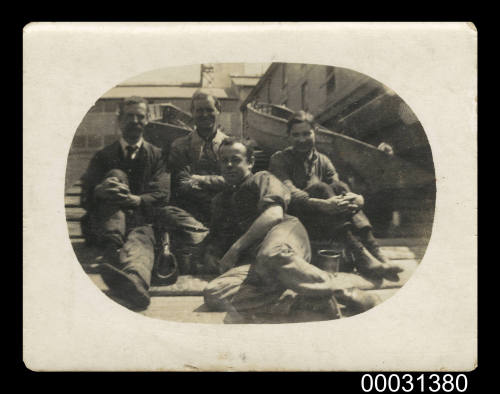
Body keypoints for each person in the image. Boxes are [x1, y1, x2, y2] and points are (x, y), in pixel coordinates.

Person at [202, 138, 381, 322]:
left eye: (236, 159)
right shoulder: (220, 201)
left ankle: (345, 292)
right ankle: (301, 300)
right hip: (258, 259)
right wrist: (211, 254)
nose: (229, 165)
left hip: (283, 233)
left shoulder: (262, 178)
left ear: (250, 162)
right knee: (214, 292)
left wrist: (236, 249)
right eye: (225, 161)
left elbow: (274, 215)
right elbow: (215, 238)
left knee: (272, 254)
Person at [81, 96, 206, 310]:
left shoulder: (157, 156)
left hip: (141, 221)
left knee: (141, 242)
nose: (135, 121)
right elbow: (84, 198)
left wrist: (134, 199)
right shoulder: (103, 156)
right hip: (105, 223)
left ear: (147, 120)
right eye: (130, 116)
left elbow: (161, 194)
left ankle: (135, 283)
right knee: (115, 175)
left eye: (140, 116)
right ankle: (112, 251)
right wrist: (99, 191)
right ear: (119, 121)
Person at [268, 110, 403, 281]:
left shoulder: (323, 160)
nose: (301, 139)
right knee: (320, 188)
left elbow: (338, 188)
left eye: (306, 133)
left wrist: (357, 199)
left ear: (315, 132)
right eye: (296, 135)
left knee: (340, 186)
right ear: (288, 136)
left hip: (327, 220)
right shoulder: (279, 159)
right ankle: (360, 254)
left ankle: (375, 251)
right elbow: (289, 192)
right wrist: (321, 203)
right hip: (297, 219)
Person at [168, 89, 229, 225]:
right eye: (199, 110)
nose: (205, 114)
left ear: (218, 110)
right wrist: (218, 183)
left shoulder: (231, 145)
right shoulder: (180, 146)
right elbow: (183, 184)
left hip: (226, 213)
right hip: (191, 213)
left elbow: (235, 181)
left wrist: (199, 179)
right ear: (192, 113)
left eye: (209, 110)